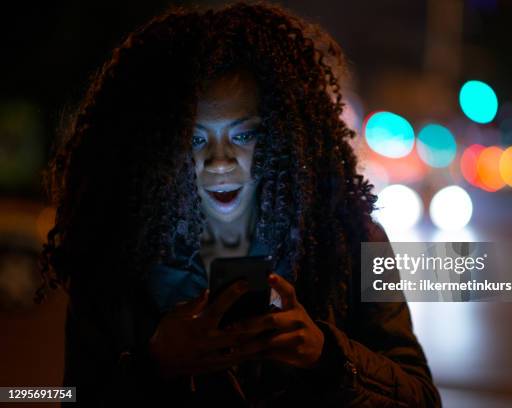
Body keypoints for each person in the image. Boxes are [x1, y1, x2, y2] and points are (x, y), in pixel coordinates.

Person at [37, 2, 441, 406]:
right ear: (159, 146)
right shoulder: (119, 256)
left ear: (281, 136)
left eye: (243, 135)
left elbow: (421, 399)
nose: (219, 160)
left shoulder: (353, 243)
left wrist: (327, 355)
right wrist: (155, 364)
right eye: (195, 139)